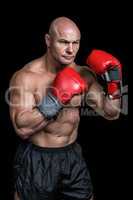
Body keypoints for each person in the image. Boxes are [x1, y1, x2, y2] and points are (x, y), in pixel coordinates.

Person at [9, 16, 122, 200]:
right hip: (38, 159)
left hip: (72, 156)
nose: (71, 50)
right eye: (63, 42)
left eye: (75, 43)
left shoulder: (84, 74)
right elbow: (21, 128)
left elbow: (111, 113)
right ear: (48, 40)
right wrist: (56, 99)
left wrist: (114, 82)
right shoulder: (26, 77)